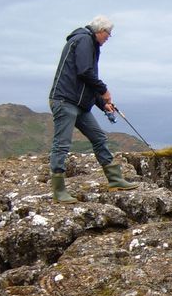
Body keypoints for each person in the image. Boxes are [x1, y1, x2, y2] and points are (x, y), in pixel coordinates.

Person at [48, 15, 138, 203]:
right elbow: (85, 71)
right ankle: (58, 190)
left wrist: (102, 103)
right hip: (65, 101)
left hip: (79, 104)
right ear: (100, 30)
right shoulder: (84, 40)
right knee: (62, 144)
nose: (108, 38)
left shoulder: (89, 43)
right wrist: (104, 90)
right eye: (108, 34)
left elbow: (85, 81)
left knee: (99, 137)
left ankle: (115, 179)